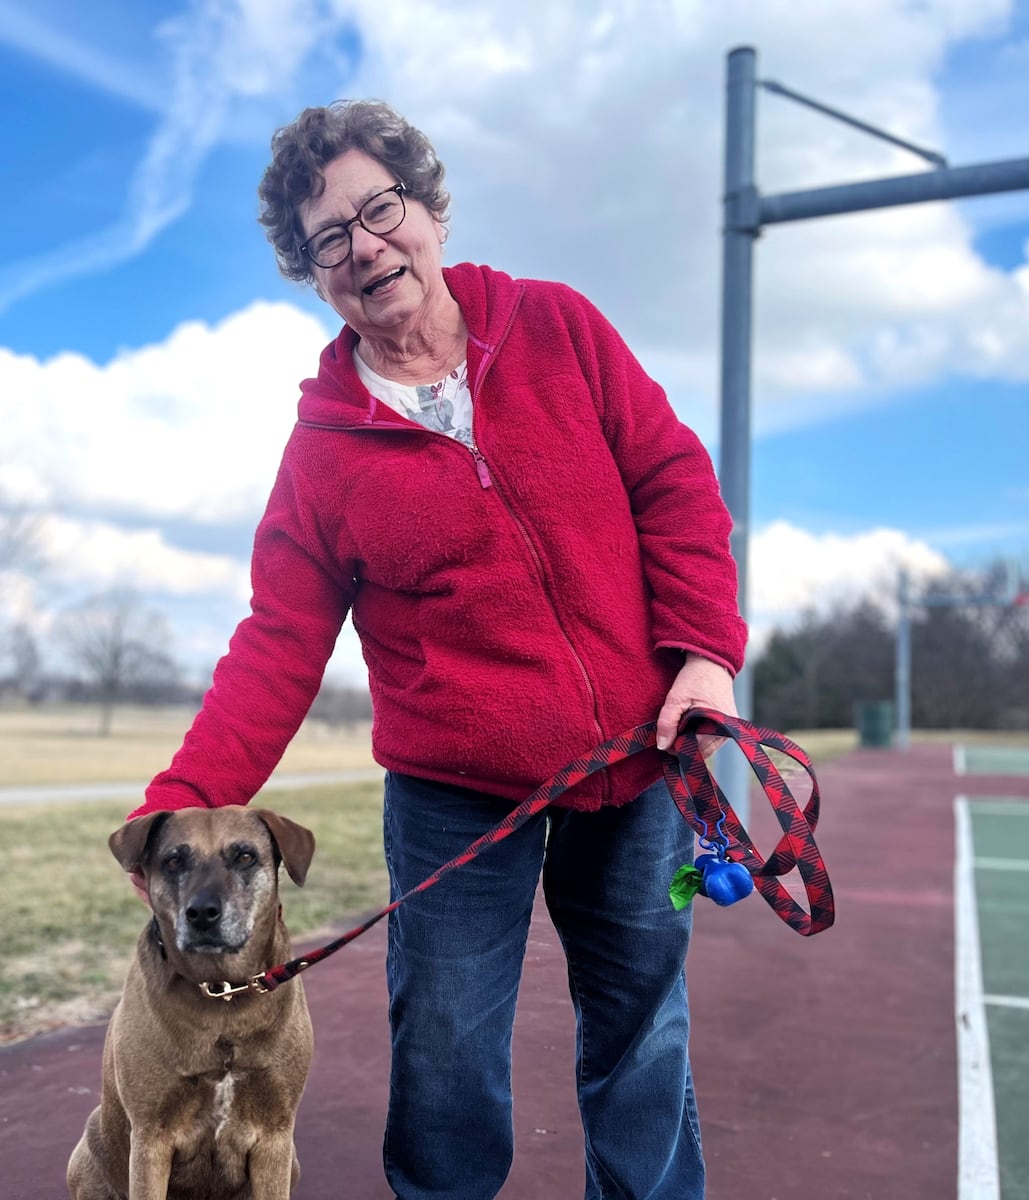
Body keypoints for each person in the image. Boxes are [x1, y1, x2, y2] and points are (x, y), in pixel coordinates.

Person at [126, 99, 744, 1200]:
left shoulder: (559, 326)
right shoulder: (323, 452)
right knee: (448, 1051)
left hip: (635, 764)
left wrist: (702, 650)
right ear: (313, 275)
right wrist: (174, 805)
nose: (365, 248)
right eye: (330, 241)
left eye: (379, 209)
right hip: (455, 795)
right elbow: (277, 645)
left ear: (429, 210)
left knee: (642, 1028)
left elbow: (675, 485)